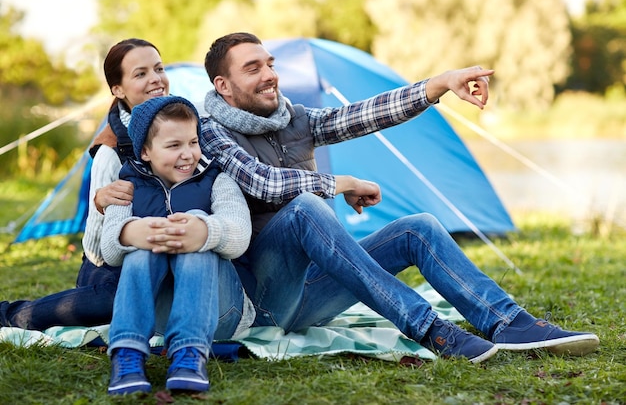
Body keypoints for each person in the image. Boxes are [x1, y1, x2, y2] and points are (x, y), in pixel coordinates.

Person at [190, 32, 599, 364]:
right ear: (223, 85)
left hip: (316, 290)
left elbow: (367, 114)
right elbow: (264, 183)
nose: (270, 75)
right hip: (264, 299)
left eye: (270, 64)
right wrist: (342, 182)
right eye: (253, 68)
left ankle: (509, 322)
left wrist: (439, 84)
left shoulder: (295, 118)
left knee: (417, 228)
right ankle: (432, 330)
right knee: (305, 208)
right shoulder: (209, 132)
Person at [0, 39, 253, 351]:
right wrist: (102, 206)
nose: (156, 79)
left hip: (178, 251)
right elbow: (98, 252)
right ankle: (11, 315)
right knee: (121, 292)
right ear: (118, 90)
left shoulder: (187, 120)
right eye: (141, 74)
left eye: (159, 69)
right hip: (117, 265)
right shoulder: (110, 153)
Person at [101, 96, 252, 395]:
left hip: (221, 311)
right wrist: (134, 232)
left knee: (196, 220)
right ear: (145, 151)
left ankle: (190, 352)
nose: (188, 155)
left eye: (193, 142)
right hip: (158, 316)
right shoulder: (128, 185)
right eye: (174, 146)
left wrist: (204, 230)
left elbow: (239, 235)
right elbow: (109, 248)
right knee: (142, 239)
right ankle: (128, 353)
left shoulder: (216, 179)